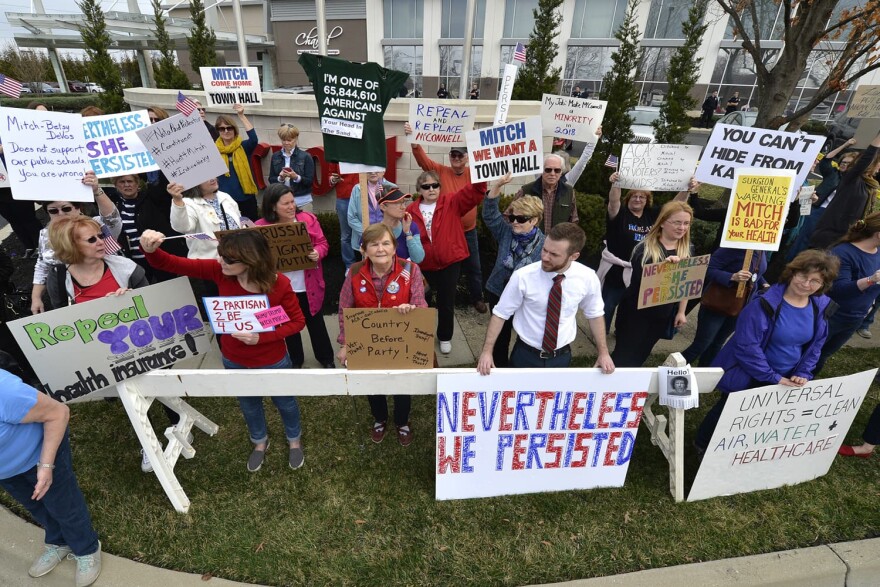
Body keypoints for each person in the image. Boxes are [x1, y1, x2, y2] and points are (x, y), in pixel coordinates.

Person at [141, 229, 308, 472]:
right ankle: (259, 442)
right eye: (220, 255)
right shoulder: (220, 272)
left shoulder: (279, 283)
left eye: (228, 259)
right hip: (234, 359)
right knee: (249, 404)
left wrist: (260, 338)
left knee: (285, 402)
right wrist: (150, 250)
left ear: (252, 260)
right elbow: (171, 263)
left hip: (272, 359)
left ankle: (294, 440)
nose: (220, 261)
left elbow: (297, 321)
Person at [694, 250, 839, 453]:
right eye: (803, 276)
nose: (807, 284)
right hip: (751, 372)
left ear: (823, 285)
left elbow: (816, 344)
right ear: (792, 273)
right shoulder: (763, 304)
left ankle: (738, 451)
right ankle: (702, 444)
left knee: (759, 419)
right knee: (728, 411)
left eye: (815, 281)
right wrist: (773, 377)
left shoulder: (819, 306)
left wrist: (803, 372)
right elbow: (747, 347)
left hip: (786, 376)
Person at [0, 368, 102, 587]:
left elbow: (58, 413)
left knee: (64, 504)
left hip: (39, 454)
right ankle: (59, 541)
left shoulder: (3, 389)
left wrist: (46, 466)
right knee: (36, 506)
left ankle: (86, 548)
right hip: (6, 470)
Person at [477, 222, 614, 374]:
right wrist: (487, 352)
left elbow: (595, 314)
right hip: (525, 355)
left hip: (562, 357)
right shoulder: (523, 276)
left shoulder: (587, 277)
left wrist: (603, 353)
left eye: (554, 254)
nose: (545, 257)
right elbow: (500, 314)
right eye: (544, 250)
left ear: (574, 256)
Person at [336, 223, 427, 446]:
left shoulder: (411, 270)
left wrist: (412, 309)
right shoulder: (355, 272)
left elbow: (421, 306)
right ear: (364, 250)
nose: (380, 249)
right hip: (367, 342)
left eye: (386, 243)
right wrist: (346, 343)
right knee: (373, 383)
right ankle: (380, 418)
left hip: (401, 342)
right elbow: (344, 309)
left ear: (395, 247)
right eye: (374, 244)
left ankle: (402, 421)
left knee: (402, 384)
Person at [403, 124, 487, 312]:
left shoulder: (473, 173)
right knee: (439, 270)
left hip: (468, 230)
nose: (456, 158)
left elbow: (481, 183)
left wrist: (474, 140)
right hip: (445, 234)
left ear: (467, 157)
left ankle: (477, 297)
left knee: (474, 266)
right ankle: (426, 299)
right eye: (453, 155)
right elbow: (423, 161)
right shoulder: (440, 171)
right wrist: (415, 143)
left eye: (460, 155)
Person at [598, 171, 694, 331]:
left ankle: (621, 332)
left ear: (647, 200)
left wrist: (686, 189)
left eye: (642, 197)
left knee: (629, 308)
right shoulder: (620, 213)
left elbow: (674, 207)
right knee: (607, 306)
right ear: (628, 199)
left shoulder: (652, 215)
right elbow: (613, 201)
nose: (637, 199)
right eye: (634, 196)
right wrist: (616, 184)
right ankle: (601, 333)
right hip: (617, 271)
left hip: (642, 273)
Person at [407, 171, 488, 354]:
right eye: (426, 186)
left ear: (440, 187)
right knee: (421, 302)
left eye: (435, 185)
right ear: (419, 189)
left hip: (449, 263)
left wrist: (481, 172)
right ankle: (421, 336)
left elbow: (475, 192)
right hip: (423, 266)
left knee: (446, 302)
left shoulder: (451, 202)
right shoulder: (410, 211)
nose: (431, 189)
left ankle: (444, 337)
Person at [256, 184, 335, 369]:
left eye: (293, 202)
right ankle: (295, 360)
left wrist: (317, 252)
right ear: (273, 207)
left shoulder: (308, 219)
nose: (291, 206)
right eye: (286, 203)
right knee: (287, 326)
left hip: (308, 286)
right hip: (280, 288)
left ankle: (326, 358)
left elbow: (323, 243)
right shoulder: (260, 228)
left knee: (316, 324)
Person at [610, 201, 694, 368]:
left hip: (662, 314)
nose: (682, 227)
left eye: (686, 223)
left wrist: (682, 312)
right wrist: (665, 268)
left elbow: (686, 283)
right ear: (662, 222)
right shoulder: (645, 249)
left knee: (642, 353)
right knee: (623, 355)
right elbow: (643, 285)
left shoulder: (687, 249)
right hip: (636, 313)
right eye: (677, 222)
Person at [31, 171, 122, 314]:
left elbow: (113, 218)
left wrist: (96, 190)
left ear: (78, 208)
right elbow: (43, 264)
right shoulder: (46, 234)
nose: (60, 214)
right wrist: (36, 297)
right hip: (70, 296)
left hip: (110, 286)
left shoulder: (97, 225)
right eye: (53, 211)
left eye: (66, 208)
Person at [482, 173, 545, 367]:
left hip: (525, 299)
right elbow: (490, 215)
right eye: (512, 217)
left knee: (525, 336)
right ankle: (499, 367)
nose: (514, 221)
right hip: (498, 292)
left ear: (534, 220)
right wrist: (497, 185)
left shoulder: (544, 245)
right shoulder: (507, 231)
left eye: (521, 218)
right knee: (500, 335)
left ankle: (519, 367)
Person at [813, 213, 880, 374]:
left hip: (855, 317)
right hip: (831, 316)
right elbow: (839, 290)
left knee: (824, 354)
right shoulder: (843, 252)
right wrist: (871, 279)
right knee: (811, 354)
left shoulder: (877, 252)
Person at [681, 248, 769, 366]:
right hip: (717, 304)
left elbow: (755, 273)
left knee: (717, 344)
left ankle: (702, 376)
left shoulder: (761, 250)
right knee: (701, 344)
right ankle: (669, 370)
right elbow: (707, 269)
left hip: (740, 306)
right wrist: (732, 277)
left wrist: (763, 282)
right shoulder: (732, 248)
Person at [45, 216, 149, 310]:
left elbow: (150, 303)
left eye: (101, 236)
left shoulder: (126, 267)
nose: (101, 242)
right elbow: (61, 316)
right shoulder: (58, 276)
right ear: (71, 245)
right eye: (92, 239)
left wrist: (131, 299)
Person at [786, 140, 859, 261]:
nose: (843, 164)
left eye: (848, 163)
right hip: (818, 212)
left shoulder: (855, 183)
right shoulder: (833, 174)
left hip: (834, 219)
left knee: (818, 249)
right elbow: (826, 160)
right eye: (843, 161)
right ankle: (791, 263)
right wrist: (845, 145)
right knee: (802, 241)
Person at [107, 174, 187, 282]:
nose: (127, 185)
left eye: (130, 181)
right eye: (122, 182)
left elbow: (160, 189)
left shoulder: (151, 198)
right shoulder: (114, 205)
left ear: (137, 184)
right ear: (116, 185)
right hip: (135, 263)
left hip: (160, 257)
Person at [810, 129, 880, 250]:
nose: (879, 167)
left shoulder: (870, 186)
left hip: (848, 234)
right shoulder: (852, 178)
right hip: (830, 232)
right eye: (878, 164)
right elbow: (867, 157)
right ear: (871, 164)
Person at [168, 178, 242, 259]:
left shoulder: (224, 196)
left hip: (237, 257)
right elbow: (182, 227)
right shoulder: (188, 203)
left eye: (212, 174)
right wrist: (177, 200)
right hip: (209, 261)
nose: (212, 179)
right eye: (205, 177)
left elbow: (240, 223)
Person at [214, 104, 260, 220]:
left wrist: (241, 115)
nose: (226, 131)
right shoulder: (213, 151)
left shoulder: (243, 146)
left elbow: (254, 139)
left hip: (246, 198)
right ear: (218, 131)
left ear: (234, 129)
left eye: (229, 128)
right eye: (222, 128)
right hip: (224, 201)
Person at [513, 154, 579, 234]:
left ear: (561, 172)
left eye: (557, 170)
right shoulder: (525, 190)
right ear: (541, 170)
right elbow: (509, 216)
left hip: (556, 243)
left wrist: (566, 240)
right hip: (531, 244)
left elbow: (573, 220)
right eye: (548, 170)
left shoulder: (569, 192)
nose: (552, 173)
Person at [347, 171, 398, 256]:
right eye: (369, 170)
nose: (373, 173)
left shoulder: (392, 188)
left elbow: (396, 215)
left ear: (383, 170)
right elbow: (351, 218)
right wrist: (368, 234)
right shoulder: (357, 189)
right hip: (363, 240)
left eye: (376, 169)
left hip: (386, 241)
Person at [268, 123, 316, 212]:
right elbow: (271, 179)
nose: (286, 143)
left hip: (302, 202)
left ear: (296, 138)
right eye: (283, 140)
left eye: (289, 140)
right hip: (282, 202)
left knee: (306, 225)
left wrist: (296, 177)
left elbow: (309, 181)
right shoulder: (275, 156)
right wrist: (280, 178)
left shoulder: (305, 156)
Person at [377, 188, 424, 262]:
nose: (403, 207)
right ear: (383, 207)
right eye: (397, 203)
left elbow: (418, 258)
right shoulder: (373, 231)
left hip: (405, 272)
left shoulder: (411, 226)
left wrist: (408, 233)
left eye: (404, 203)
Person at [328, 164, 360, 269]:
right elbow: (330, 176)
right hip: (344, 197)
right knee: (346, 235)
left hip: (362, 196)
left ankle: (366, 262)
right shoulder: (337, 154)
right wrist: (333, 179)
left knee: (366, 230)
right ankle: (349, 265)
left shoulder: (363, 151)